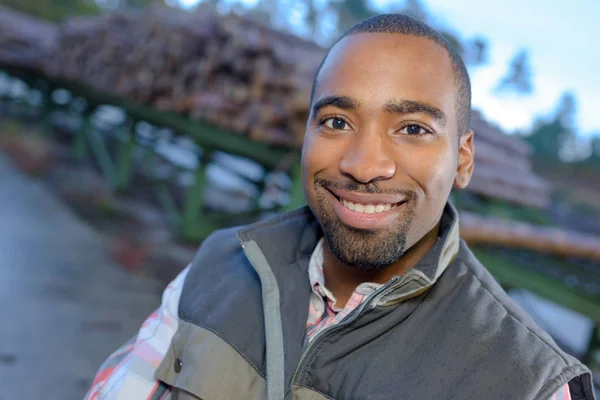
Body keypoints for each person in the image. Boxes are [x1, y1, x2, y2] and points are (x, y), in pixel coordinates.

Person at [85, 14, 594, 400]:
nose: (364, 164)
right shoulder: (216, 266)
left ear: (463, 160)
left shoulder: (530, 382)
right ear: (304, 132)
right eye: (336, 121)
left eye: (413, 129)